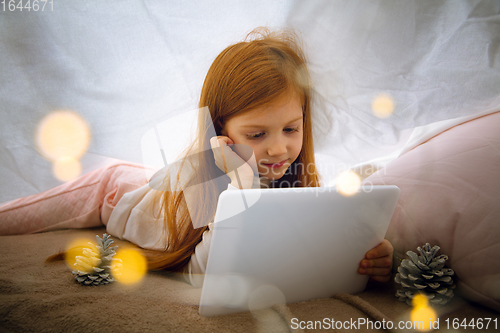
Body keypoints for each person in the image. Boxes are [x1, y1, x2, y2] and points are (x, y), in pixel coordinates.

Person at [0, 27, 393, 286]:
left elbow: (290, 248)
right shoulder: (204, 179)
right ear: (219, 132)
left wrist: (363, 256)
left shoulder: (289, 177)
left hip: (153, 182)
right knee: (14, 218)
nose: (279, 148)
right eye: (257, 134)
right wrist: (235, 184)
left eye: (291, 128)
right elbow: (204, 273)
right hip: (116, 188)